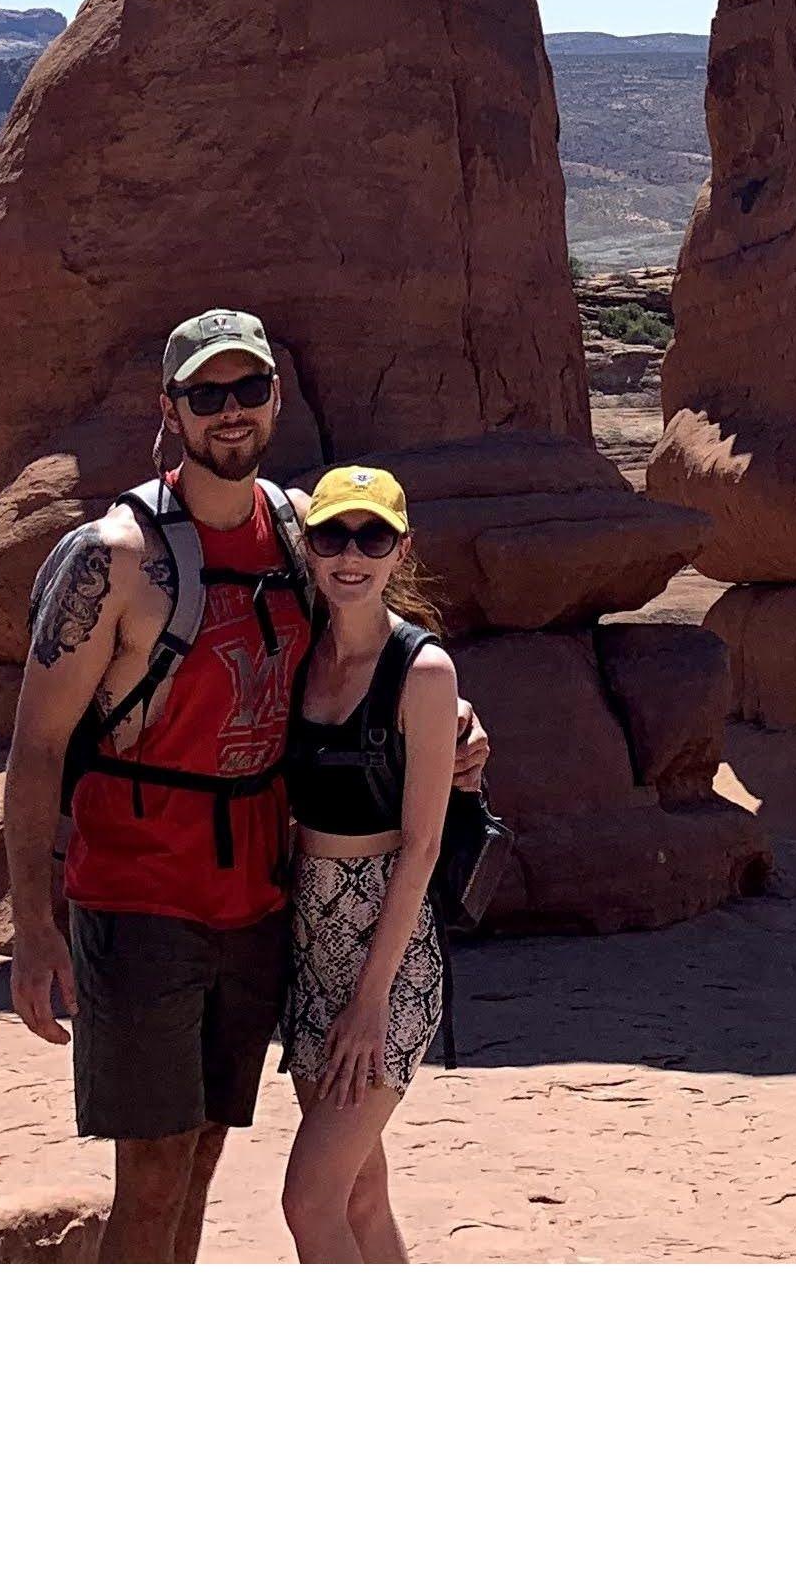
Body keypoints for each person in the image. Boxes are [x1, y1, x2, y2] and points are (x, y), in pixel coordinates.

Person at [2, 308, 478, 1263]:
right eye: (205, 395)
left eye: (247, 390)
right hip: (138, 895)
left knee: (207, 1150)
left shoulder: (301, 533)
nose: (230, 413)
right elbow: (35, 750)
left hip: (257, 898)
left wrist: (455, 723)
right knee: (151, 1171)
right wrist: (34, 926)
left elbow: (373, 640)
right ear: (169, 410)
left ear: (274, 399)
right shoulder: (115, 557)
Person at [274, 464, 458, 1264]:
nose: (351, 555)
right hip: (308, 950)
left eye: (372, 536)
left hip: (388, 956)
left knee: (308, 1201)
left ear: (400, 549)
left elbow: (422, 847)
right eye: (332, 536)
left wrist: (371, 1002)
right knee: (357, 1193)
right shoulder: (297, 658)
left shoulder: (423, 672)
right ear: (309, 549)